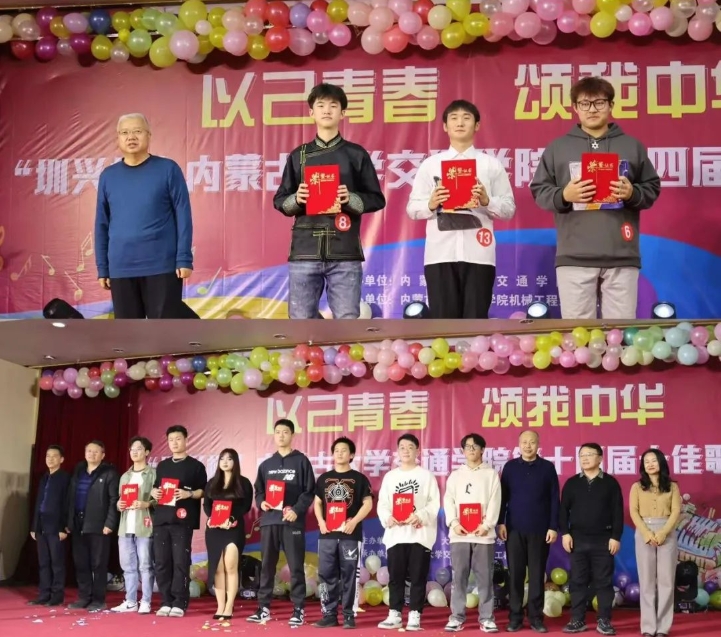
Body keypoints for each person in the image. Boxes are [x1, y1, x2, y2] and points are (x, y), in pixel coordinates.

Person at [529, 76, 661, 320]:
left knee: (620, 332)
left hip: (621, 254)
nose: (592, 109)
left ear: (611, 105)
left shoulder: (632, 146)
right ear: (575, 108)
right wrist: (564, 195)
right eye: (585, 104)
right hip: (574, 255)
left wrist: (632, 193)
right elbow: (539, 190)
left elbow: (652, 187)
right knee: (578, 334)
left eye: (599, 103)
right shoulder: (558, 148)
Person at [273, 83, 386, 319]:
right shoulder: (298, 155)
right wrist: (297, 198)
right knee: (301, 322)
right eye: (321, 105)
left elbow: (377, 199)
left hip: (344, 249)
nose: (327, 110)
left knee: (347, 320)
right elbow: (280, 200)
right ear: (311, 112)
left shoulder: (356, 154)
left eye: (333, 105)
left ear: (342, 113)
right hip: (305, 250)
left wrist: (350, 198)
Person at [407, 99, 516, 319]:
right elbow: (412, 209)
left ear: (477, 125)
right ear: (445, 126)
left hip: (479, 254)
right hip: (440, 254)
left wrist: (487, 201)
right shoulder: (431, 165)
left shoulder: (490, 165)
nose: (460, 123)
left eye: (466, 118)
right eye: (454, 118)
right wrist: (431, 203)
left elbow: (509, 209)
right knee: (443, 323)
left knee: (475, 322)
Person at [95, 112, 193, 318]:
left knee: (164, 331)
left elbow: (183, 215)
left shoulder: (168, 169)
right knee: (129, 334)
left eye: (137, 131)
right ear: (118, 138)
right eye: (124, 133)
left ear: (149, 135)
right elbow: (101, 224)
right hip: (121, 267)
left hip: (162, 266)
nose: (131, 137)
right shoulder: (108, 176)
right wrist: (103, 267)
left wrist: (184, 258)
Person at [249, 419, 316, 626]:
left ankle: (298, 609)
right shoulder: (266, 465)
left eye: (285, 432)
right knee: (267, 566)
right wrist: (262, 502)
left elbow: (309, 491)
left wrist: (296, 510)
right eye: (277, 432)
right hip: (270, 522)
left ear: (292, 435)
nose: (281, 435)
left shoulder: (301, 461)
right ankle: (263, 608)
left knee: (296, 567)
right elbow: (259, 490)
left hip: (292, 523)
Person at [377, 434, 440, 632]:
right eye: (402, 447)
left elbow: (434, 503)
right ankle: (394, 614)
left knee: (418, 577)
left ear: (418, 451)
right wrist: (388, 517)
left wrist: (419, 515)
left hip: (420, 535)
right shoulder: (390, 477)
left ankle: (415, 615)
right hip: (396, 535)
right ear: (397, 451)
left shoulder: (426, 476)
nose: (406, 450)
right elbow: (382, 503)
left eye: (410, 447)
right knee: (395, 577)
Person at [498, 431, 560, 633]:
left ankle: (536, 618)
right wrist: (500, 522)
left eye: (532, 442)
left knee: (536, 575)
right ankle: (515, 617)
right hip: (514, 530)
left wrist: (553, 526)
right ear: (519, 444)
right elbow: (502, 497)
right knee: (515, 575)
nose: (528, 446)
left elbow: (554, 499)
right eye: (524, 442)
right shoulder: (510, 467)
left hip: (540, 530)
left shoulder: (547, 468)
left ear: (538, 444)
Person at [560, 444, 624, 636]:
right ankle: (577, 619)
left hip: (603, 539)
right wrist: (565, 533)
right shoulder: (572, 483)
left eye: (589, 454)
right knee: (577, 581)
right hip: (577, 539)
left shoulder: (610, 483)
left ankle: (604, 620)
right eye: (582, 455)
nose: (585, 458)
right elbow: (563, 511)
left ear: (600, 458)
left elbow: (618, 512)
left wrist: (615, 537)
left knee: (603, 582)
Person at [443, 434, 502, 633]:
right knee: (459, 577)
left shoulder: (491, 474)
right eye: (467, 446)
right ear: (463, 450)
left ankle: (487, 618)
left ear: (482, 450)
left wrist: (487, 525)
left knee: (485, 578)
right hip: (459, 534)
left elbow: (495, 501)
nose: (471, 449)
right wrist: (454, 522)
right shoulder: (455, 475)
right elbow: (448, 500)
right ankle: (456, 617)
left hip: (483, 535)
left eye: (475, 446)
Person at [313, 437, 374, 629]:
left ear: (352, 455)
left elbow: (368, 503)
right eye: (336, 450)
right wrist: (321, 522)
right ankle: (329, 615)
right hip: (327, 535)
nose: (339, 453)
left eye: (344, 450)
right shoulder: (324, 479)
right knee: (326, 575)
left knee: (350, 575)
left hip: (350, 536)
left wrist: (354, 522)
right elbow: (317, 502)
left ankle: (349, 615)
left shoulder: (359, 479)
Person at [151, 425, 208, 618]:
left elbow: (204, 491)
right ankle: (165, 601)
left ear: (186, 440)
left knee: (180, 562)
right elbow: (156, 487)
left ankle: (179, 602)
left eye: (178, 439)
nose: (174, 443)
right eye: (171, 440)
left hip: (182, 521)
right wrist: (154, 492)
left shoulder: (196, 466)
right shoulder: (162, 466)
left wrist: (188, 494)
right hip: (161, 520)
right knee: (161, 562)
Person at [630, 449, 681, 637]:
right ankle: (648, 627)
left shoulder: (672, 487)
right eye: (646, 461)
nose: (650, 464)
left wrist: (663, 533)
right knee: (647, 582)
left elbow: (676, 511)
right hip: (644, 532)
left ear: (661, 462)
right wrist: (646, 533)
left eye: (654, 460)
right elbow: (633, 512)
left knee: (667, 581)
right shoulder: (637, 487)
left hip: (667, 531)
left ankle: (663, 628)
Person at [66, 440, 120, 612]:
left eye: (96, 451)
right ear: (85, 453)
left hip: (99, 526)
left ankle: (98, 599)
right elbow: (70, 498)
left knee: (98, 564)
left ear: (103, 455)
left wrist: (110, 523)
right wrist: (68, 522)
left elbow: (114, 500)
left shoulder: (109, 473)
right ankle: (84, 597)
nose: (92, 454)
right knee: (81, 563)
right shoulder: (78, 471)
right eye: (89, 451)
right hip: (78, 524)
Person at [204, 448, 254, 621]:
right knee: (218, 569)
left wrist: (231, 518)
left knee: (231, 566)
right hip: (214, 530)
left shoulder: (243, 482)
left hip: (233, 528)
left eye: (229, 459)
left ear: (235, 462)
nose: (225, 462)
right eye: (222, 459)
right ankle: (220, 606)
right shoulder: (212, 483)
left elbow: (245, 506)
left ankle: (229, 605)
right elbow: (207, 505)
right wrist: (211, 519)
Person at [112, 437, 156, 615]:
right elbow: (120, 499)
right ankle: (130, 601)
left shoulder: (153, 474)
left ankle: (146, 601)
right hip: (125, 527)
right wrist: (119, 504)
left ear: (147, 452)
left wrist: (147, 504)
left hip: (144, 526)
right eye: (132, 449)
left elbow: (161, 499)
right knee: (127, 566)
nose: (134, 452)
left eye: (139, 448)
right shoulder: (125, 476)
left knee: (145, 565)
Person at [28, 445, 71, 607]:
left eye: (54, 456)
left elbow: (67, 504)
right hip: (41, 526)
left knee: (57, 563)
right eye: (48, 456)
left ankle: (56, 596)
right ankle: (43, 594)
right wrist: (34, 527)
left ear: (61, 459)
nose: (50, 459)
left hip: (56, 527)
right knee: (43, 563)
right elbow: (39, 503)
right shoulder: (44, 477)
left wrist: (63, 527)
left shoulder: (65, 478)